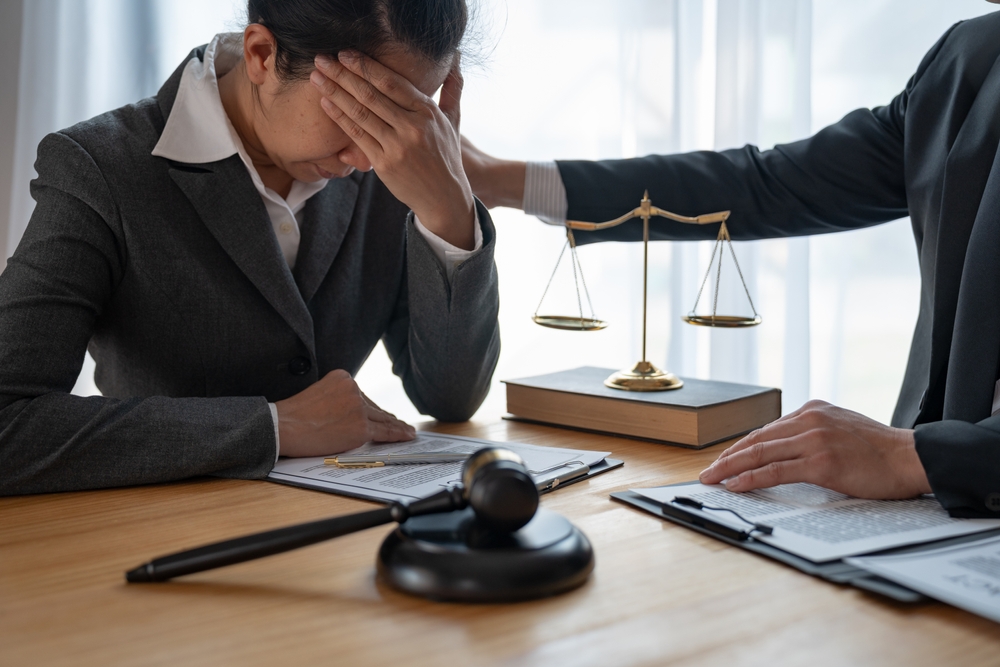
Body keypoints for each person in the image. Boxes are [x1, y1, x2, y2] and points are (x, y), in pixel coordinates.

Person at [461, 10, 1000, 518]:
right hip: (934, 520)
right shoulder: (969, 62)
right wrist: (499, 179)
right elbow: (765, 185)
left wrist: (908, 456)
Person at [0, 0, 500, 495]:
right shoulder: (100, 169)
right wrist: (273, 425)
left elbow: (449, 397)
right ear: (261, 54)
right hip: (161, 532)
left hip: (344, 536)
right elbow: (8, 424)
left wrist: (450, 213)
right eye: (363, 111)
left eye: (407, 115)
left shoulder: (400, 164)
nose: (371, 157)